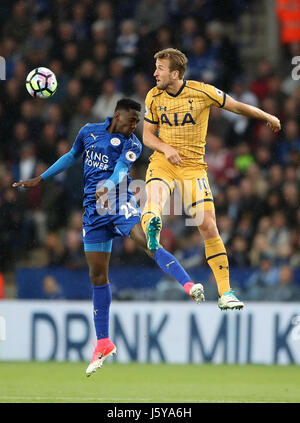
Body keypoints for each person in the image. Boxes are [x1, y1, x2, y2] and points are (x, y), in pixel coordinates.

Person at [12, 98, 204, 376]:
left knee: (147, 243)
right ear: (117, 116)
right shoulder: (88, 131)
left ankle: (188, 285)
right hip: (93, 211)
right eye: (132, 120)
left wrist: (108, 186)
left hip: (118, 201)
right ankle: (103, 342)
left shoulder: (133, 144)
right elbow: (70, 156)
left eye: (138, 121)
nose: (135, 125)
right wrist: (41, 178)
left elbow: (121, 171)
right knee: (97, 276)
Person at [141, 48, 281, 311]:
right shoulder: (153, 96)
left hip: (193, 168)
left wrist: (266, 116)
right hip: (164, 161)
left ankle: (225, 292)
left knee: (208, 225)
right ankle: (153, 230)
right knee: (156, 196)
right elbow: (147, 136)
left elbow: (236, 106)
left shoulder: (202, 92)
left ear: (175, 72)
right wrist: (165, 148)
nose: (155, 73)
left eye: (160, 68)